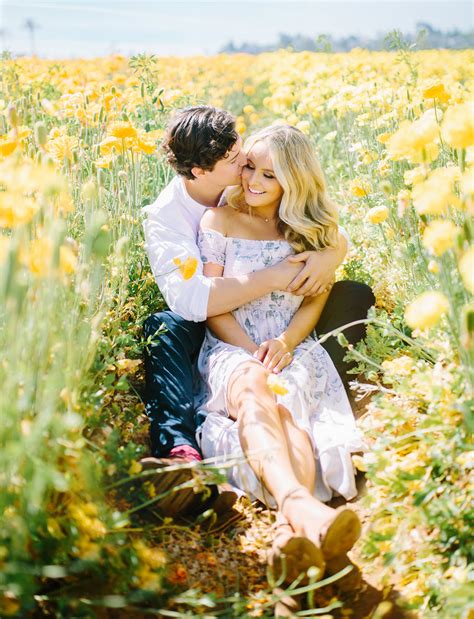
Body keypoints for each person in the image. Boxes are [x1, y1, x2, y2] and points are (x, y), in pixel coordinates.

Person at [141, 106, 374, 516]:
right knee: (183, 340)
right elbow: (199, 300)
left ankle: (297, 514)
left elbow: (322, 256)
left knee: (289, 402)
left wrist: (329, 257)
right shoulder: (182, 218)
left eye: (251, 163)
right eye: (240, 165)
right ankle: (180, 448)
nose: (247, 173)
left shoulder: (292, 219)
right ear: (199, 172)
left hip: (284, 337)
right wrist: (269, 294)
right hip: (226, 333)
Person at [195, 124, 367, 579]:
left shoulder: (311, 232)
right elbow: (213, 304)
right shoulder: (221, 220)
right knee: (254, 384)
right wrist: (252, 351)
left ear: (293, 180)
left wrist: (287, 344)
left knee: (288, 406)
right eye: (249, 166)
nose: (252, 181)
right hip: (233, 343)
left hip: (290, 346)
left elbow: (316, 298)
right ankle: (305, 509)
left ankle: (290, 532)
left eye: (269, 175)